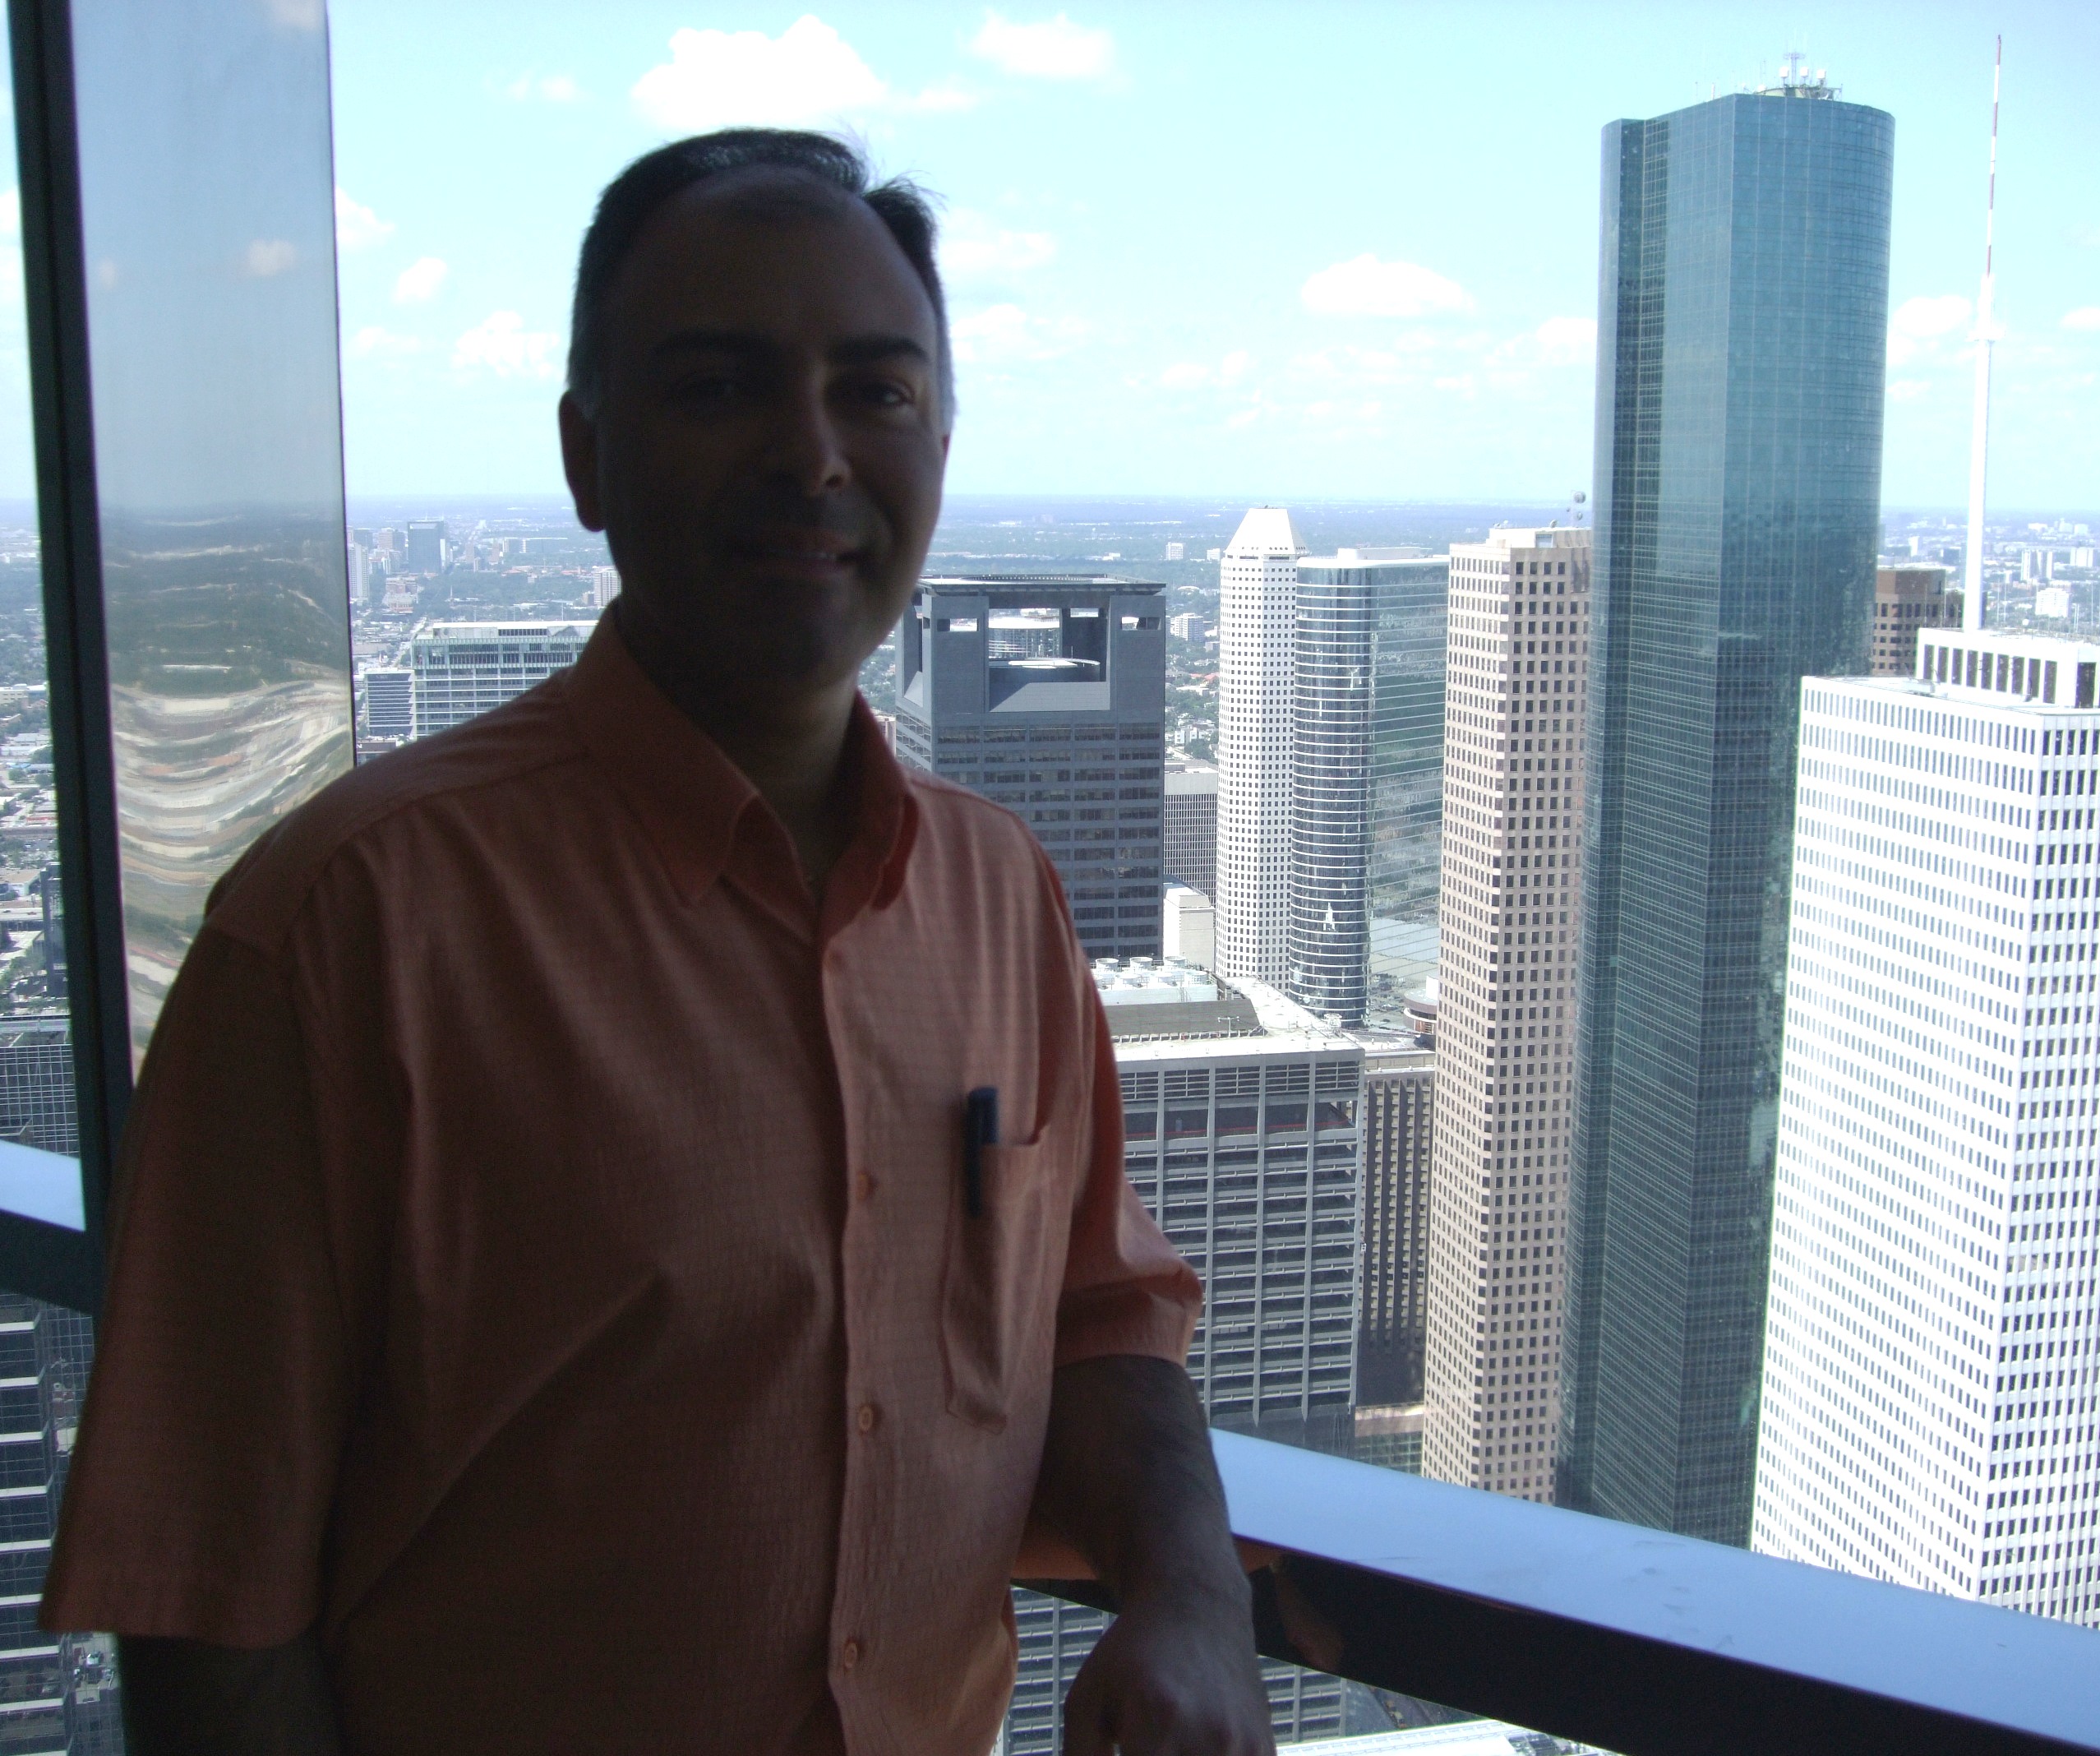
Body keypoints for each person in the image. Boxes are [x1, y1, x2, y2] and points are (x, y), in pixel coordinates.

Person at [41, 129, 1275, 1756]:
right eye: (715, 387)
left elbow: (1098, 1321)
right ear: (586, 455)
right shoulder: (345, 931)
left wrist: (1193, 1596)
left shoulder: (997, 894)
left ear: (937, 444)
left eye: (875, 390)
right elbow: (211, 1609)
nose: (810, 454)